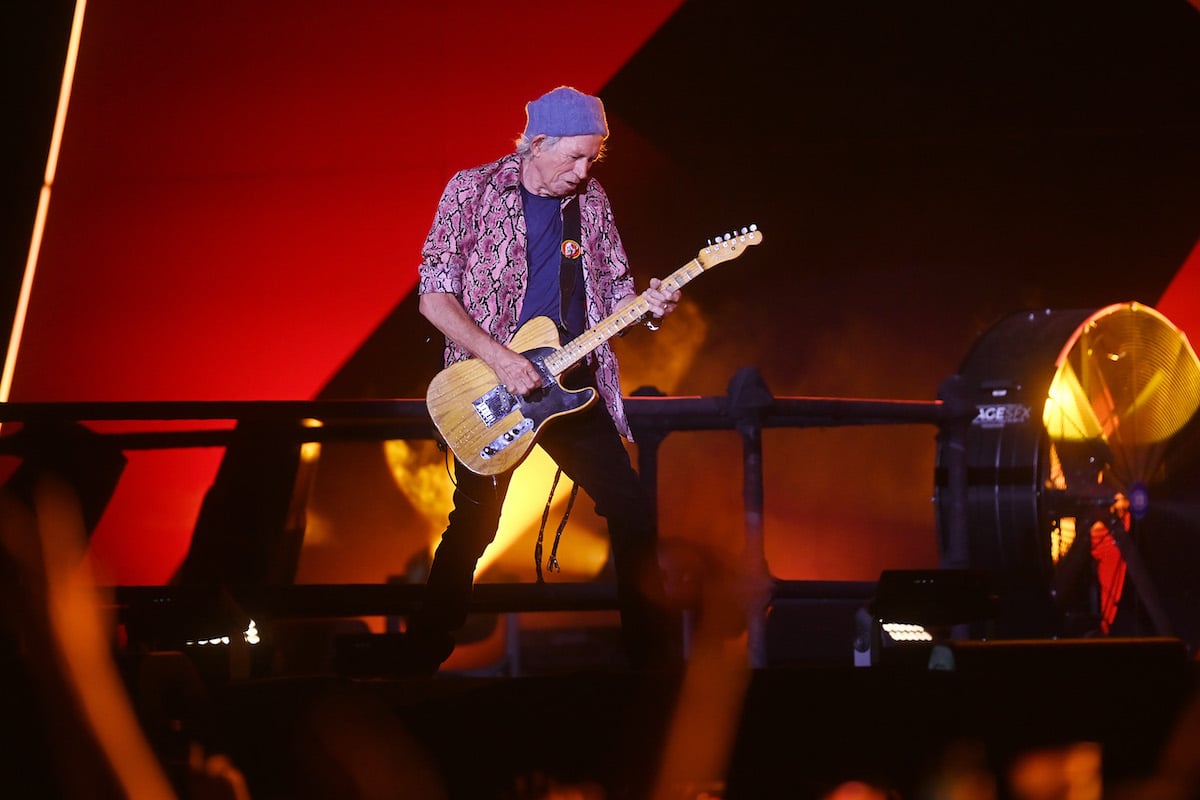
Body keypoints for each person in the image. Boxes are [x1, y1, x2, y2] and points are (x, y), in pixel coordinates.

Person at [408, 85, 683, 676]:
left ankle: (651, 663)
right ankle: (420, 654)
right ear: (537, 144)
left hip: (569, 386)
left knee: (631, 510)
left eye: (593, 158)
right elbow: (434, 295)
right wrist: (503, 359)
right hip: (491, 388)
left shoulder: (592, 200)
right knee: (475, 524)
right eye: (575, 157)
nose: (584, 172)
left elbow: (614, 291)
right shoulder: (471, 191)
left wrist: (648, 308)